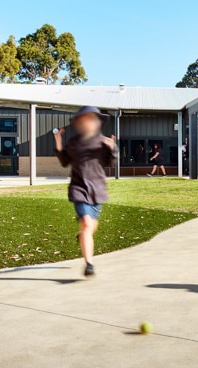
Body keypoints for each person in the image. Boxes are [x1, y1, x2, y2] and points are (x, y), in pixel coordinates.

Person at [53, 106, 116, 278]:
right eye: (83, 120)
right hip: (79, 189)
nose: (86, 123)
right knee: (88, 224)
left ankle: (82, 236)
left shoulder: (102, 142)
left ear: (97, 123)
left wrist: (113, 147)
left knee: (89, 228)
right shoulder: (74, 142)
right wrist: (58, 141)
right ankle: (89, 264)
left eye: (90, 119)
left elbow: (111, 162)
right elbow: (64, 161)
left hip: (97, 190)